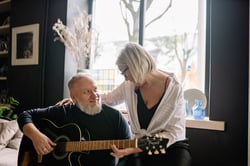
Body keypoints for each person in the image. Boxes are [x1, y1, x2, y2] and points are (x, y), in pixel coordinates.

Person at [57, 42, 192, 166]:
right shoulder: (129, 85)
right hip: (137, 146)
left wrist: (136, 147)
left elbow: (175, 133)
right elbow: (109, 99)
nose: (125, 78)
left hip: (171, 147)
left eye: (124, 72)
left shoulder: (174, 88)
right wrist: (81, 100)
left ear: (135, 65)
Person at [17, 74, 131, 166]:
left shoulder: (116, 118)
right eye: (86, 92)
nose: (94, 95)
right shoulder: (64, 111)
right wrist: (36, 136)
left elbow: (129, 153)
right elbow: (25, 115)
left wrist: (124, 154)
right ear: (73, 97)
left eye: (95, 89)